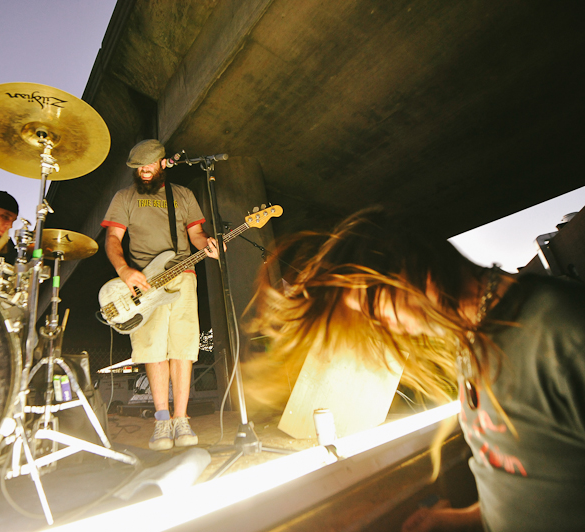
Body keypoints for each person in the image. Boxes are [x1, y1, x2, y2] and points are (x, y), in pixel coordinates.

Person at [247, 207, 585, 532]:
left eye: (371, 308)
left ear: (410, 271)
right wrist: (463, 518)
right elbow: (530, 475)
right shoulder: (473, 341)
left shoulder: (562, 329)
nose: (380, 326)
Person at [101, 139, 221, 451]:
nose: (144, 171)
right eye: (139, 167)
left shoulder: (182, 195)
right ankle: (162, 420)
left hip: (184, 277)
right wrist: (125, 271)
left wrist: (208, 245)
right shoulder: (124, 197)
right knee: (153, 349)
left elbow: (196, 234)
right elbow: (113, 238)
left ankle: (181, 419)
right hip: (143, 283)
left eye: (149, 165)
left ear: (162, 163)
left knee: (182, 347)